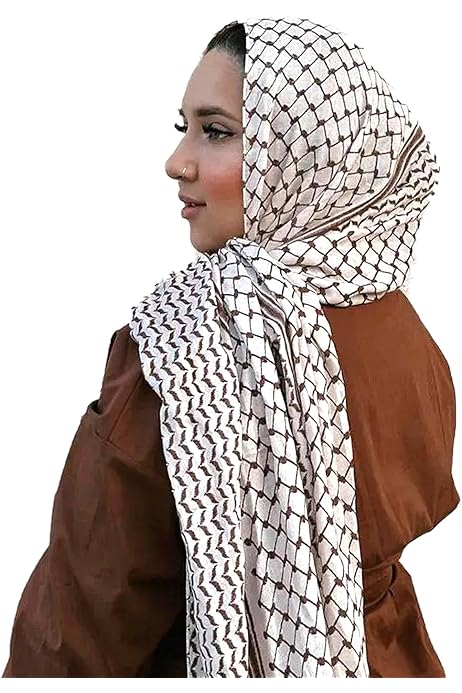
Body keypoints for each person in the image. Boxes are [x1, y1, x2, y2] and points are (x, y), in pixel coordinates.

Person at [2, 17, 459, 678]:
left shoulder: (180, 353)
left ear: (303, 153)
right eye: (183, 126)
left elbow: (84, 629)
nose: (176, 161)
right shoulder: (404, 331)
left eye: (215, 131)